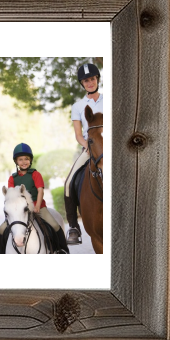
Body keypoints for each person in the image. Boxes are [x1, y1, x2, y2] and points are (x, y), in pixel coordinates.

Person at [0, 143, 69, 254]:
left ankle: (62, 250)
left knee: (55, 225)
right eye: (20, 159)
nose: (24, 162)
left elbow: (40, 191)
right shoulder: (12, 178)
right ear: (16, 161)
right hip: (21, 210)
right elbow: (12, 196)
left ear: (30, 160)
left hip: (38, 206)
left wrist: (37, 206)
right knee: (2, 229)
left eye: (26, 159)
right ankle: (2, 252)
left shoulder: (35, 174)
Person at [64, 63, 103, 244]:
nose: (90, 83)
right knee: (69, 181)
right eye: (86, 80)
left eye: (92, 79)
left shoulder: (108, 99)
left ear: (97, 79)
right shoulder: (78, 106)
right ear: (82, 83)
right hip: (90, 147)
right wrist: (86, 145)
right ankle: (73, 227)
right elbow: (79, 135)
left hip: (110, 146)